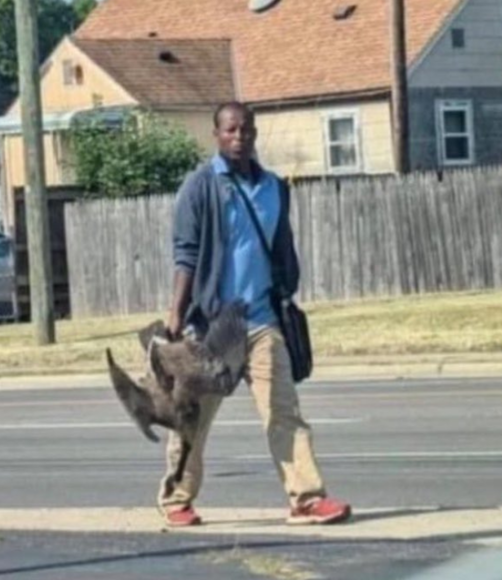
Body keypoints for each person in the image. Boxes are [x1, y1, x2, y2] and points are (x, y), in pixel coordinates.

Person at [160, 101, 352, 528]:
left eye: (245, 129)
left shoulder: (273, 187)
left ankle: (306, 498)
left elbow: (281, 246)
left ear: (255, 133)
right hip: (213, 326)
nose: (239, 137)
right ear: (216, 135)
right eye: (230, 130)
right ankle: (177, 499)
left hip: (262, 320)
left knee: (284, 411)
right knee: (193, 419)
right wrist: (176, 311)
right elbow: (186, 253)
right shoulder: (200, 186)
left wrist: (286, 292)